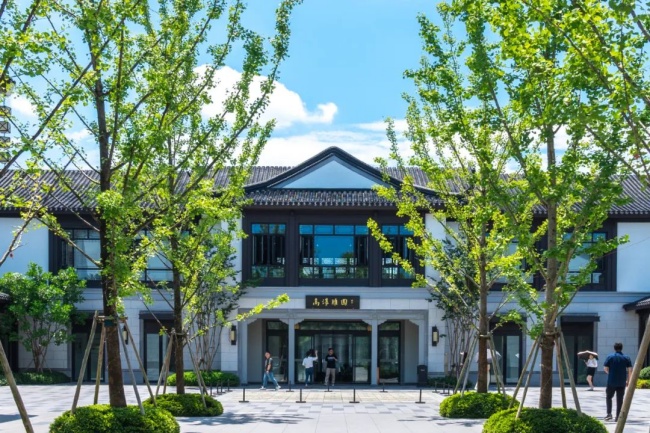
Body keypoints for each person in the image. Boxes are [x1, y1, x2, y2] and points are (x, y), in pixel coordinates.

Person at [603, 342, 632, 421]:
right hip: (622, 381)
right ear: (622, 348)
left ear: (614, 348)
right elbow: (630, 370)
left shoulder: (610, 357)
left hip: (611, 381)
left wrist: (610, 373)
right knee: (620, 399)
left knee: (609, 397)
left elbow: (605, 368)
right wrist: (628, 381)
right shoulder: (626, 357)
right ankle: (618, 416)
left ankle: (609, 414)